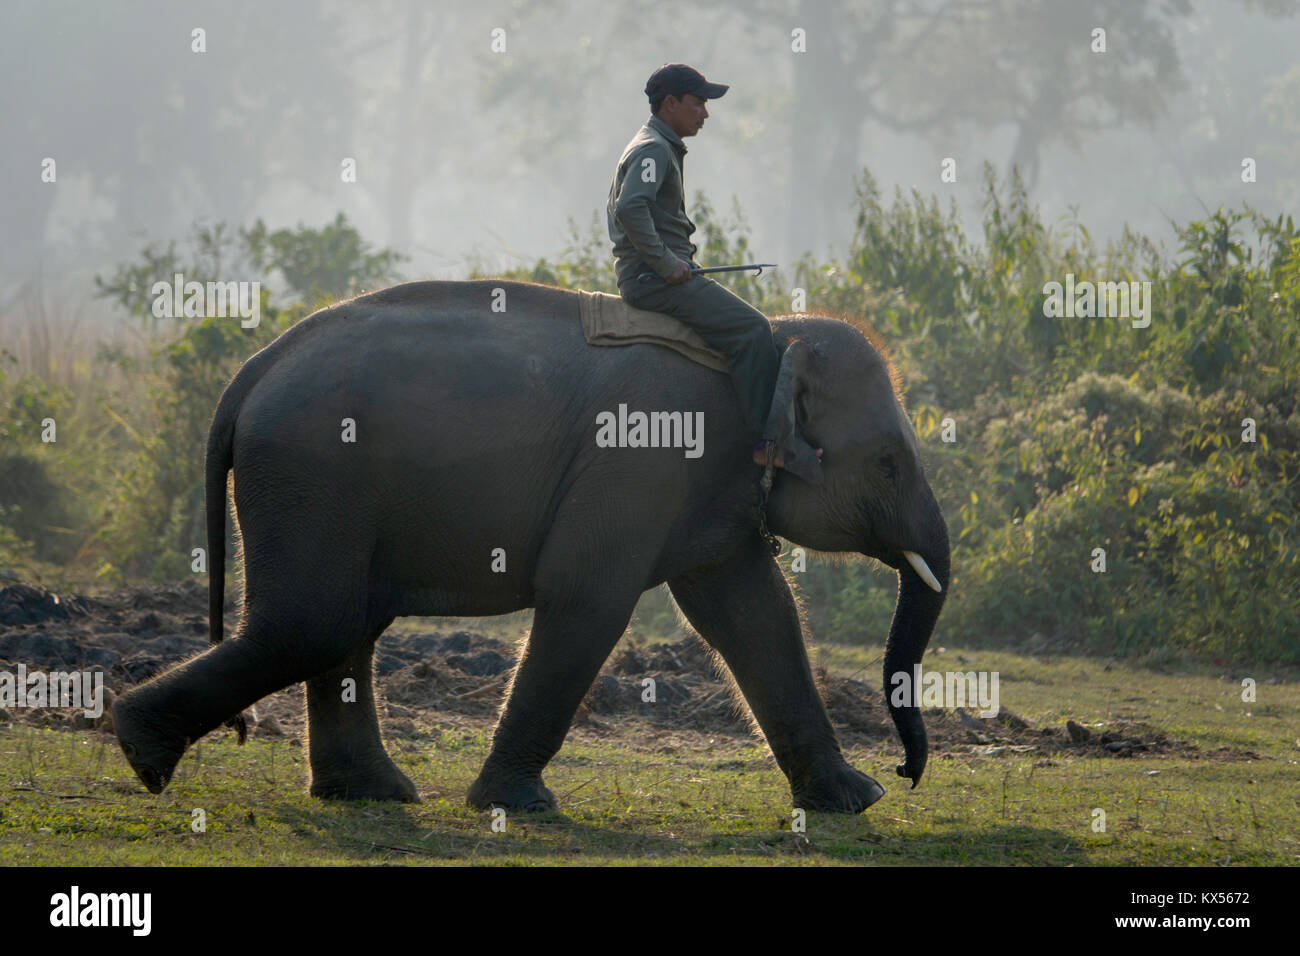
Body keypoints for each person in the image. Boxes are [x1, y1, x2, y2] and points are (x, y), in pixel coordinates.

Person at [606, 63, 795, 469]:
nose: (705, 114)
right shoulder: (654, 149)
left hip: (652, 275)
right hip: (652, 280)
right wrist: (665, 263)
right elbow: (629, 207)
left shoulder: (657, 144)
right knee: (752, 330)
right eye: (698, 103)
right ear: (670, 104)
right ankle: (767, 445)